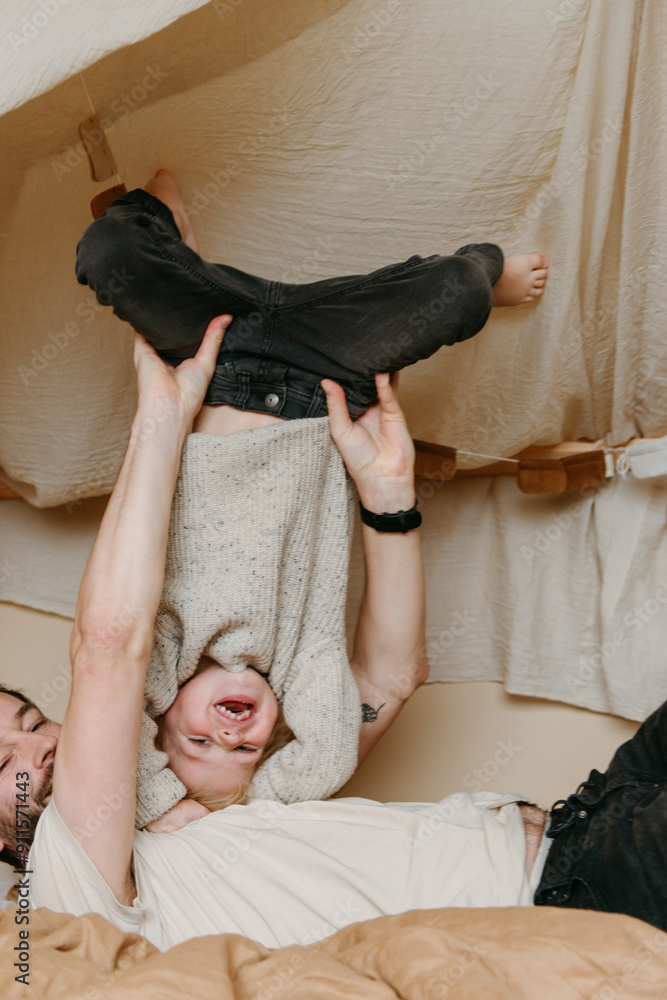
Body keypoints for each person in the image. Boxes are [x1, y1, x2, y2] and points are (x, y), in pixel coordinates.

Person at [1, 331, 666, 945]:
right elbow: (110, 644)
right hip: (578, 885)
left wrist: (388, 496)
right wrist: (160, 423)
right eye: (3, 765)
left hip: (585, 814)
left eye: (30, 720)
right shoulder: (65, 897)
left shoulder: (220, 799)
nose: (41, 746)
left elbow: (388, 681)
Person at [73, 170, 549, 828]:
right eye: (246, 751)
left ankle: (162, 220)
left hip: (211, 354)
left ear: (160, 724)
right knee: (453, 293)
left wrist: (165, 814)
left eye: (198, 742)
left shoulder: (157, 651)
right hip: (326, 377)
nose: (230, 734)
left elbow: (116, 740)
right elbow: (325, 756)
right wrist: (259, 802)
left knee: (107, 253)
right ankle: (481, 274)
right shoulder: (305, 669)